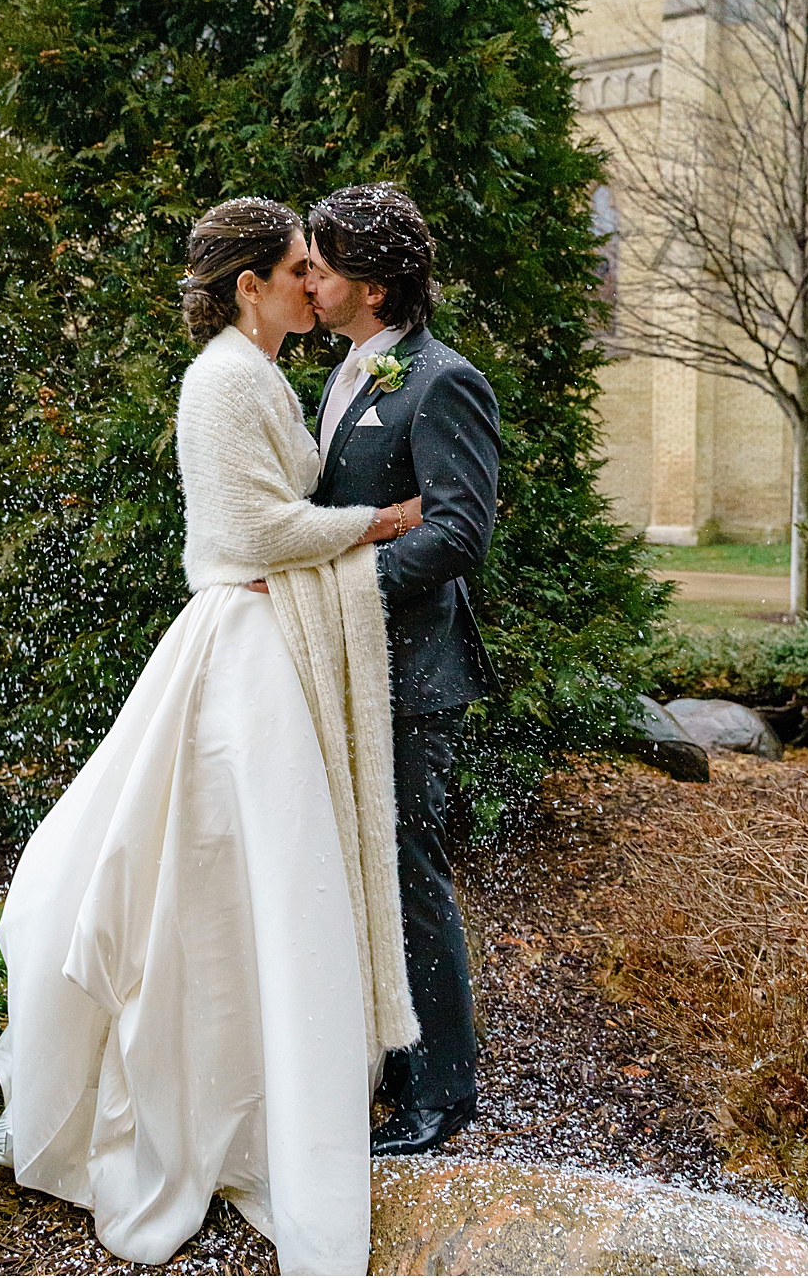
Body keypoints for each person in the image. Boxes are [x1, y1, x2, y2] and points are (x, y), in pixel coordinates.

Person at [0, 197, 426, 1274]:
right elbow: (250, 532)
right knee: (231, 876)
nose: (310, 285)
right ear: (249, 285)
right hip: (242, 645)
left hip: (269, 638)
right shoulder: (225, 380)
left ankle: (268, 1093)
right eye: (294, 270)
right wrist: (373, 524)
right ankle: (227, 1105)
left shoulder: (266, 374)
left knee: (260, 884)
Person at [304, 182, 500, 1157]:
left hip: (414, 678)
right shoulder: (346, 374)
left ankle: (444, 1096)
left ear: (374, 289)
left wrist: (340, 587)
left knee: (408, 878)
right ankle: (385, 1065)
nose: (311, 280)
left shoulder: (440, 380)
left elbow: (461, 531)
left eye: (325, 268)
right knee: (357, 877)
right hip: (351, 672)